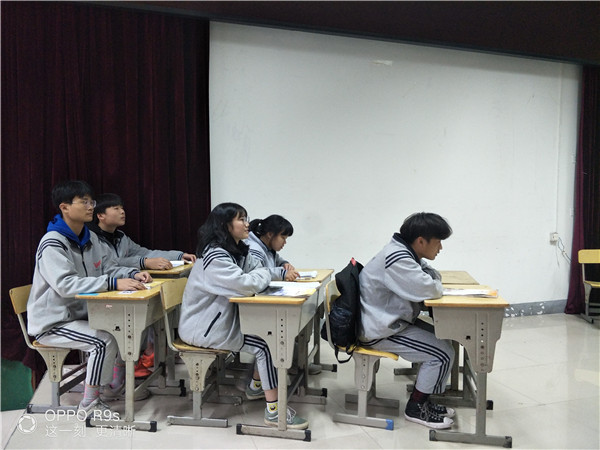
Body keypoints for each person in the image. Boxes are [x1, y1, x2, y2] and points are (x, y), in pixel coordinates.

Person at [26, 180, 153, 417]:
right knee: (102, 340)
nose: (90, 206)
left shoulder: (90, 238)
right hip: (52, 322)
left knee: (119, 329)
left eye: (91, 201)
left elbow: (109, 267)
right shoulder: (53, 243)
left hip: (79, 315)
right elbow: (66, 285)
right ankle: (89, 404)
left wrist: (132, 273)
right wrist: (113, 283)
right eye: (83, 202)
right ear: (64, 207)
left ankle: (110, 387)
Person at [178, 203, 309, 430]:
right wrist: (264, 274)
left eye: (246, 218)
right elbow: (245, 284)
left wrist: (273, 272)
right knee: (266, 345)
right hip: (203, 328)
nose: (247, 224)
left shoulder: (234, 250)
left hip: (219, 322)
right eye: (241, 219)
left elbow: (257, 271)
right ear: (225, 225)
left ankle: (258, 388)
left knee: (269, 339)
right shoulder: (215, 256)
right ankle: (274, 413)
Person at [358, 212, 455, 429]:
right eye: (438, 242)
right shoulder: (398, 258)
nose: (440, 248)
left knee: (444, 341)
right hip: (379, 329)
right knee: (441, 354)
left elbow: (431, 276)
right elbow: (430, 288)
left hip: (389, 320)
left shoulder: (405, 253)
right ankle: (415, 408)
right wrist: (433, 282)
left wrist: (431, 280)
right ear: (421, 241)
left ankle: (424, 400)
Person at [88, 192, 196, 377]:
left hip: (121, 290)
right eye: (116, 208)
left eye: (122, 208)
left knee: (150, 312)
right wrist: (142, 263)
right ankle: (122, 369)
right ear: (100, 215)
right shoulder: (92, 239)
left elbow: (144, 252)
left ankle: (140, 359)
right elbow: (110, 264)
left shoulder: (120, 237)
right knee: (133, 320)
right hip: (101, 295)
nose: (122, 212)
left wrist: (178, 255)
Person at [247, 215, 299, 281]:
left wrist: (285, 264)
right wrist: (282, 274)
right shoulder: (253, 249)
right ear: (270, 234)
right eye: (283, 238)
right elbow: (257, 273)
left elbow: (278, 261)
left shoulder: (268, 248)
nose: (285, 242)